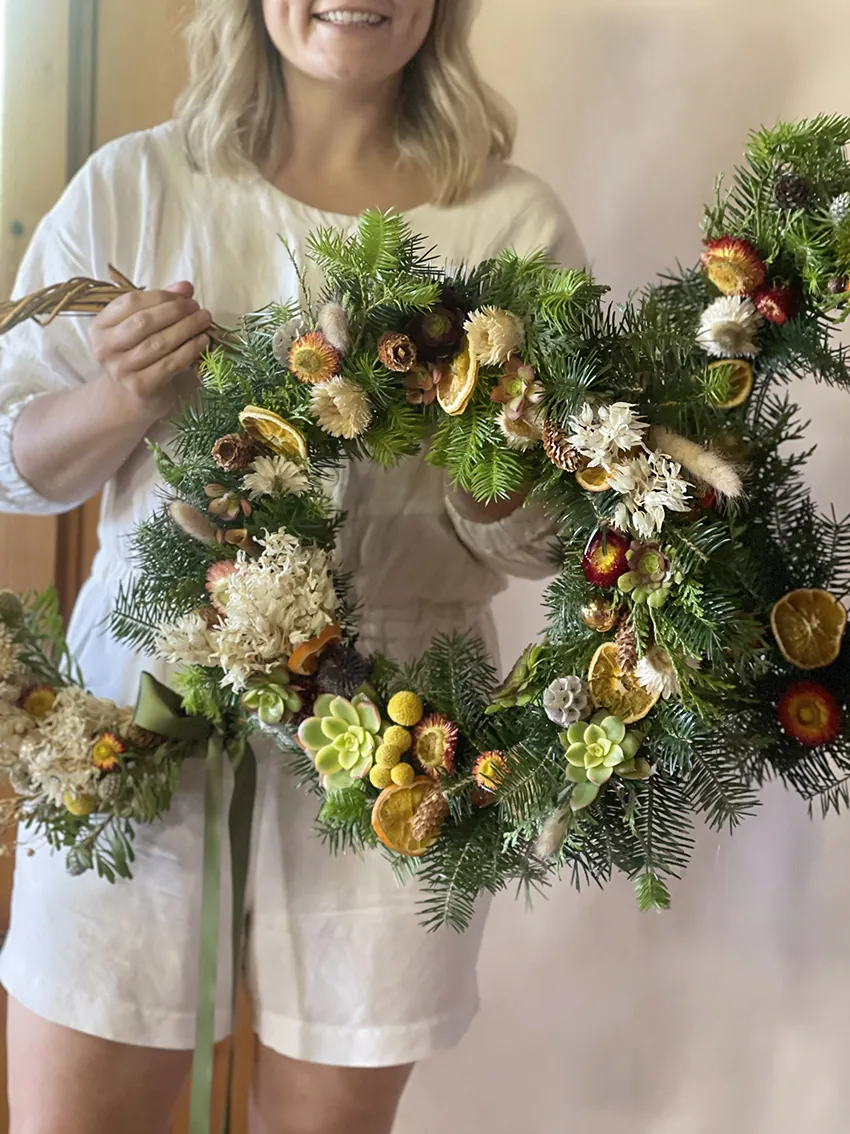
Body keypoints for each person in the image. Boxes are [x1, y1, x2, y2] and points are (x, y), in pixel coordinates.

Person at [0, 2, 583, 1131]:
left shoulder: (508, 224)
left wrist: (488, 459)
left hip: (403, 734)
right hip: (142, 711)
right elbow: (14, 455)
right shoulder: (139, 186)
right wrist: (119, 398)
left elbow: (554, 536)